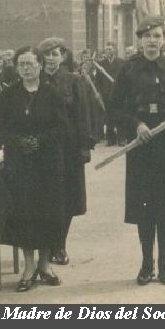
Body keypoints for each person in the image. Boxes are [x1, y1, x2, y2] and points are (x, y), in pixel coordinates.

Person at [111, 16, 165, 286]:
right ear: (139, 40)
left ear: (164, 39)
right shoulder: (128, 70)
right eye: (147, 36)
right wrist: (135, 126)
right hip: (142, 143)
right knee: (144, 206)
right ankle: (146, 264)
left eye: (157, 36)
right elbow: (114, 108)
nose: (152, 41)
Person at [0, 46, 69, 292]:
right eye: (21, 64)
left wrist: (41, 140)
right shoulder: (8, 95)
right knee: (25, 215)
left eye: (30, 63)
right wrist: (18, 141)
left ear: (40, 64)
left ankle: (45, 265)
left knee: (47, 214)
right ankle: (28, 267)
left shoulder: (52, 93)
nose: (26, 68)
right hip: (20, 165)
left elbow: (62, 128)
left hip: (47, 164)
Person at [38, 38, 93, 266]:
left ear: (63, 56)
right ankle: (45, 246)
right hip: (41, 150)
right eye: (47, 54)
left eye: (55, 53)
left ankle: (59, 245)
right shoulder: (35, 81)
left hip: (68, 149)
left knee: (67, 199)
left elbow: (83, 115)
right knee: (45, 199)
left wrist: (84, 146)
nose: (51, 58)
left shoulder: (73, 81)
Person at [97, 44, 125, 146]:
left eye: (110, 49)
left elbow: (124, 77)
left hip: (119, 92)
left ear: (114, 50)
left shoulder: (121, 62)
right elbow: (98, 80)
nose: (108, 51)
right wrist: (99, 92)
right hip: (106, 93)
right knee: (109, 116)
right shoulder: (101, 64)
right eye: (106, 49)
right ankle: (110, 139)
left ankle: (121, 138)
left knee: (120, 114)